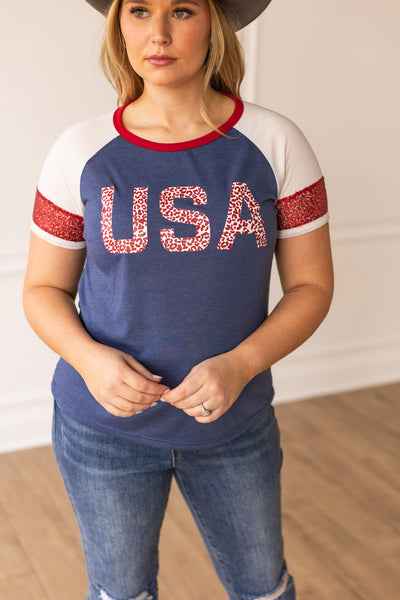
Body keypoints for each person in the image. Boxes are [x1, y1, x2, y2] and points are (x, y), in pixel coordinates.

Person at [23, 0, 333, 598]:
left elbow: (312, 287)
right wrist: (91, 361)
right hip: (103, 432)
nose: (159, 33)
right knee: (120, 593)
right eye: (140, 10)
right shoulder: (78, 149)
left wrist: (240, 365)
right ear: (119, 24)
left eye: (182, 10)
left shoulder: (274, 142)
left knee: (263, 589)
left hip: (234, 426)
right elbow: (42, 290)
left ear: (215, 22)